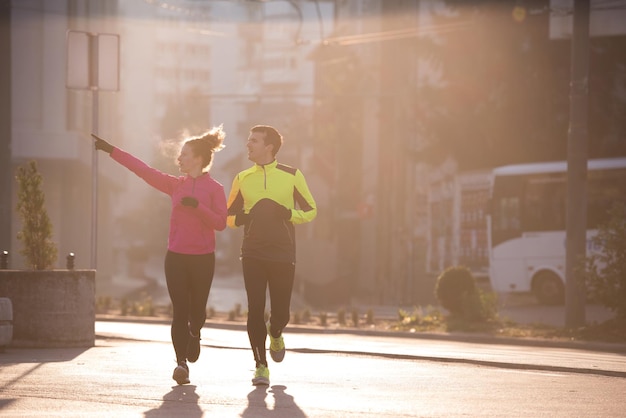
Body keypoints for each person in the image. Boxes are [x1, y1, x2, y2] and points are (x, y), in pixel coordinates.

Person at [91, 127, 227, 386]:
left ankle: (195, 332)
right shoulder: (175, 185)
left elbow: (221, 223)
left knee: (196, 312)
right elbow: (142, 170)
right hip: (175, 257)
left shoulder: (214, 189)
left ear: (198, 158)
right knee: (180, 311)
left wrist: (198, 207)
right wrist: (111, 150)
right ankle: (181, 364)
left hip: (202, 259)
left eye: (184, 154)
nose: (179, 159)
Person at [226, 125, 317, 386]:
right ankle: (260, 366)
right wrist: (243, 218)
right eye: (248, 140)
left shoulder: (292, 175)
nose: (248, 144)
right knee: (255, 309)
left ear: (269, 147)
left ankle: (276, 332)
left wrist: (288, 214)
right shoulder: (242, 178)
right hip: (252, 253)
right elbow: (228, 216)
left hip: (282, 253)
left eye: (253, 141)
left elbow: (311, 210)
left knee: (281, 313)